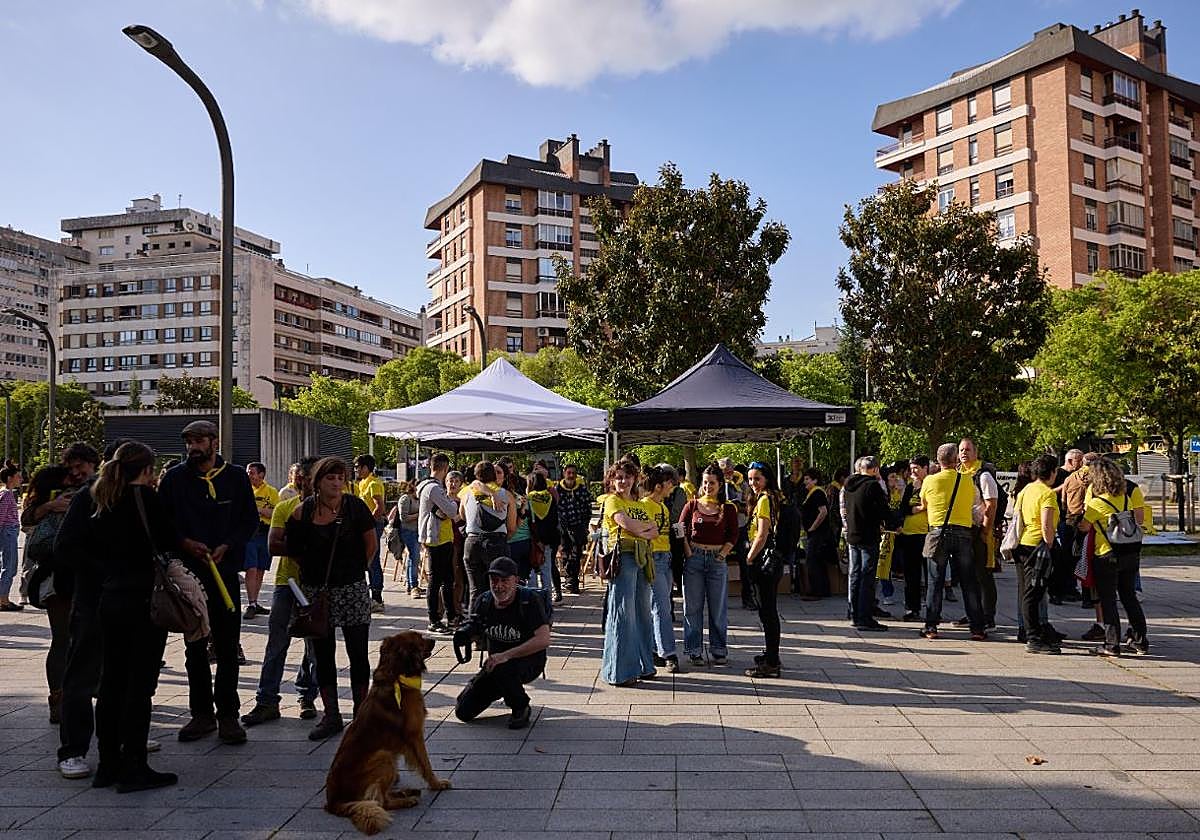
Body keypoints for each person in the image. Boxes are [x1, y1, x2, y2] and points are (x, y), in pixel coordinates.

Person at [81, 442, 179, 792]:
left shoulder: (101, 499)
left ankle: (107, 764)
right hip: (143, 600)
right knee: (139, 686)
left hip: (111, 597)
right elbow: (169, 539)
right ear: (148, 470)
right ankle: (135, 766)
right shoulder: (145, 499)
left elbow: (86, 547)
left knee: (111, 683)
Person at [157, 420, 258, 745]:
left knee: (228, 647)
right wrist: (185, 543)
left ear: (214, 441)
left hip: (224, 572)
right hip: (187, 575)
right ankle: (201, 714)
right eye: (188, 441)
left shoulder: (236, 477)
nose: (193, 447)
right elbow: (164, 523)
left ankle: (228, 714)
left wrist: (228, 545)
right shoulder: (174, 479)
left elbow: (249, 521)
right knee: (194, 646)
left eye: (199, 440)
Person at [285, 456, 377, 740]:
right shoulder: (303, 511)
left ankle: (362, 715)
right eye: (330, 478)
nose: (336, 483)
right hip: (318, 591)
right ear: (317, 481)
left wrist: (355, 571)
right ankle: (331, 715)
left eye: (340, 478)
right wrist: (314, 574)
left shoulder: (355, 507)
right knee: (322, 655)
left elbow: (371, 544)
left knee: (358, 653)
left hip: (352, 588)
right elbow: (294, 549)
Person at [241, 456, 320, 728]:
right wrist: (309, 550)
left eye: (307, 477)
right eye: (298, 476)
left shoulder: (333, 509)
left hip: (318, 585)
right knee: (277, 642)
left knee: (314, 644)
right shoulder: (285, 506)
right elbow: (275, 544)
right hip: (288, 582)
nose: (301, 481)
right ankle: (266, 700)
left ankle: (307, 695)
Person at [453, 557, 551, 729]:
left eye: (504, 581)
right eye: (494, 580)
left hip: (528, 661)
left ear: (516, 580)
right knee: (463, 711)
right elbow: (477, 628)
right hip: (496, 664)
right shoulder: (484, 601)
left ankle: (520, 706)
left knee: (503, 667)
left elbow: (543, 639)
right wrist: (466, 635)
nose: (498, 586)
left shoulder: (529, 601)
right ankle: (504, 689)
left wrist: (506, 655)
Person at [1079, 457, 1149, 656]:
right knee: (1129, 597)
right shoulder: (1125, 498)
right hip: (1129, 552)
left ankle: (1111, 644)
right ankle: (1140, 640)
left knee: (1108, 600)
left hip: (1106, 554)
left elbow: (1084, 526)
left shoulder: (1096, 503)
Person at [599, 460, 658, 686]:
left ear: (635, 479)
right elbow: (626, 525)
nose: (623, 481)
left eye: (627, 477)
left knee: (643, 612)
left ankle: (644, 665)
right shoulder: (612, 500)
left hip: (643, 558)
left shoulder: (641, 504)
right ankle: (621, 670)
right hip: (623, 557)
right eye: (618, 477)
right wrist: (640, 529)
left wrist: (638, 530)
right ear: (612, 480)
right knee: (623, 613)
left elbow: (654, 531)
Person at [920, 444, 987, 641]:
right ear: (955, 460)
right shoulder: (967, 480)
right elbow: (977, 504)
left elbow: (924, 504)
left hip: (938, 532)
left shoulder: (930, 480)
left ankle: (931, 626)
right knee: (968, 581)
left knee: (935, 581)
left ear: (938, 461)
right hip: (963, 533)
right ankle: (977, 628)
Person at [678, 464, 737, 667]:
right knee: (692, 607)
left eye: (712, 483)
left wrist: (722, 554)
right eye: (704, 482)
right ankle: (694, 650)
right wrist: (687, 550)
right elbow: (680, 528)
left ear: (720, 484)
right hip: (694, 559)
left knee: (717, 608)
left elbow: (733, 535)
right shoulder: (692, 505)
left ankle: (718, 650)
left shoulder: (728, 508)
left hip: (717, 560)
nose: (707, 486)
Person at [1012, 454, 1061, 654]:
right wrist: (1049, 545)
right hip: (1038, 546)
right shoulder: (1047, 494)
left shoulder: (1026, 490)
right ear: (1052, 472)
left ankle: (1031, 631)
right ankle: (1033, 637)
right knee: (1034, 594)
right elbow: (1046, 525)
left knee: (1026, 591)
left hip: (1022, 545)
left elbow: (1017, 516)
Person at [842, 456, 891, 632]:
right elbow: (883, 509)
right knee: (867, 577)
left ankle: (854, 613)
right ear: (875, 469)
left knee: (855, 575)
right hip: (868, 535)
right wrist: (893, 524)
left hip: (853, 535)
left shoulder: (848, 485)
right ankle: (865, 617)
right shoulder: (872, 486)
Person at [745, 463, 784, 678]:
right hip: (771, 560)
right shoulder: (774, 496)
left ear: (767, 478)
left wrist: (749, 558)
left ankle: (771, 663)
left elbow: (762, 534)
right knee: (768, 611)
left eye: (757, 479)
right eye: (750, 479)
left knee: (767, 612)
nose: (752, 484)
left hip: (763, 561)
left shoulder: (764, 500)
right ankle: (771, 655)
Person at [462, 461, 515, 610]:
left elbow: (461, 515)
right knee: (499, 589)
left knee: (475, 590)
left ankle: (474, 626)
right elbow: (511, 526)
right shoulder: (506, 495)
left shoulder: (467, 492)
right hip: (496, 542)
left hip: (472, 542)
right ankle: (495, 625)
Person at [958, 439, 999, 629]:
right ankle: (973, 613)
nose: (964, 453)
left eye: (967, 450)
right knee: (968, 575)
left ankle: (988, 616)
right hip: (965, 529)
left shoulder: (983, 475)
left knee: (983, 575)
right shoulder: (959, 473)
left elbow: (991, 504)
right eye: (961, 450)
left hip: (980, 531)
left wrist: (985, 530)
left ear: (976, 452)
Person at [641, 465, 678, 673]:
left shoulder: (662, 506)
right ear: (658, 486)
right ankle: (668, 652)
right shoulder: (645, 505)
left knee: (661, 606)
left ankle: (656, 648)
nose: (672, 486)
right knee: (661, 607)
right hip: (653, 558)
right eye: (669, 483)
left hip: (665, 557)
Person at [418, 454, 460, 634]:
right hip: (436, 538)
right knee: (436, 580)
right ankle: (434, 620)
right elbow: (451, 510)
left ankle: (451, 617)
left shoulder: (427, 486)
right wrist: (451, 504)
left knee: (447, 580)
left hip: (442, 537)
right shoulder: (434, 488)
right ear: (445, 468)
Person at [717, 457, 755, 611]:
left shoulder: (743, 484)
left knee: (745, 563)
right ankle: (719, 600)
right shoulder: (716, 484)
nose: (727, 474)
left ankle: (748, 597)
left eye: (729, 471)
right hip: (721, 529)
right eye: (723, 471)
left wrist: (739, 506)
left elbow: (749, 504)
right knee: (719, 564)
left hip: (740, 527)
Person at [353, 454, 387, 613]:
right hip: (364, 526)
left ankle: (377, 598)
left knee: (373, 560)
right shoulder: (362, 483)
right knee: (365, 559)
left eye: (358, 467)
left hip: (373, 525)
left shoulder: (374, 483)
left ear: (367, 467)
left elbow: (379, 507)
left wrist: (369, 524)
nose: (356, 470)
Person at [243, 462, 278, 619]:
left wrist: (259, 510)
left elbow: (276, 512)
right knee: (251, 567)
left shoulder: (271, 492)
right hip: (249, 534)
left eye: (252, 472)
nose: (249, 475)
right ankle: (250, 603)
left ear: (262, 475)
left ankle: (255, 602)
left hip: (265, 533)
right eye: (248, 472)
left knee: (260, 569)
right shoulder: (243, 490)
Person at [899, 456, 930, 621]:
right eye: (911, 469)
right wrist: (919, 508)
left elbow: (933, 506)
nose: (913, 472)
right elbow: (904, 509)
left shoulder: (931, 484)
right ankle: (912, 608)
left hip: (927, 534)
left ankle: (932, 610)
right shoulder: (910, 487)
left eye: (916, 468)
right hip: (909, 533)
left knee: (931, 575)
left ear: (926, 467)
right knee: (911, 574)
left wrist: (916, 509)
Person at [556, 464, 593, 595]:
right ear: (564, 473)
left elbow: (588, 506)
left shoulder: (582, 489)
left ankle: (572, 581)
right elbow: (556, 508)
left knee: (576, 554)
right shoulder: (558, 489)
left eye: (573, 473)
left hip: (579, 526)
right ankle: (570, 581)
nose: (571, 475)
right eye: (569, 473)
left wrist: (585, 524)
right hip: (563, 527)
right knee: (566, 553)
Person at [798, 468, 832, 601]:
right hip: (815, 532)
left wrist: (812, 528)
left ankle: (816, 591)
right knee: (817, 560)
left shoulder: (817, 493)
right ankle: (822, 590)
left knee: (812, 560)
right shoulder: (811, 493)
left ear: (815, 480)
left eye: (808, 479)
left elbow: (823, 512)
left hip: (818, 533)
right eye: (805, 479)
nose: (805, 482)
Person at [525, 471, 559, 604]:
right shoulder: (550, 498)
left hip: (533, 541)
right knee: (546, 573)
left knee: (532, 573)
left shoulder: (528, 499)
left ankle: (534, 604)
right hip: (549, 540)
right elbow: (555, 520)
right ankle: (547, 604)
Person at [388, 480, 422, 599]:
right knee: (414, 557)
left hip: (417, 531)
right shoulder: (405, 498)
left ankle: (410, 584)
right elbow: (404, 517)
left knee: (413, 558)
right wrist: (419, 514)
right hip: (408, 531)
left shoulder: (418, 499)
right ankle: (413, 585)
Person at [0, 464, 22, 610]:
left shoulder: (6, 493)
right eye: (18, 476)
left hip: (9, 532)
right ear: (10, 478)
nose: (21, 479)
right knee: (9, 567)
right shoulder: (7, 494)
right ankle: (3, 600)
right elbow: (1, 516)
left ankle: (4, 598)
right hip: (8, 532)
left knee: (9, 566)